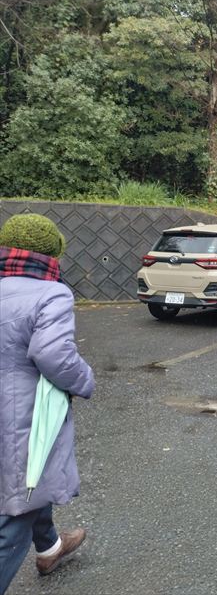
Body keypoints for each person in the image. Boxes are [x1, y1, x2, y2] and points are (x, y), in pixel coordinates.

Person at [0, 214, 95, 594]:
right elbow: (52, 354)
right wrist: (85, 380)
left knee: (26, 479)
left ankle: (50, 547)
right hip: (22, 413)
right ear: (52, 253)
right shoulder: (51, 293)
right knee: (16, 512)